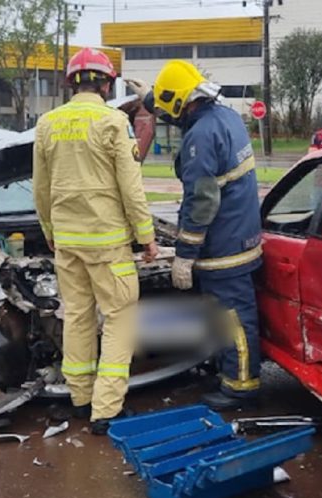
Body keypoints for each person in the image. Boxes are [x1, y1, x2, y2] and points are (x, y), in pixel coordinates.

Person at [33, 47, 159, 435]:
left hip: (67, 242)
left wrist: (50, 231)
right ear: (106, 84)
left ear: (71, 83)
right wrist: (147, 237)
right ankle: (106, 410)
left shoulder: (48, 123)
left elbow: (41, 187)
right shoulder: (112, 122)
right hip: (108, 242)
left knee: (77, 317)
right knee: (121, 318)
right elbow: (130, 184)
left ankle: (80, 398)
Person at [126, 61, 263, 411]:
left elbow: (201, 201)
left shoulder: (200, 137)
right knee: (227, 314)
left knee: (233, 318)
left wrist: (185, 254)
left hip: (224, 246)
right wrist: (152, 99)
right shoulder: (226, 116)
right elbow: (181, 111)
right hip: (242, 234)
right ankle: (225, 371)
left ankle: (240, 388)